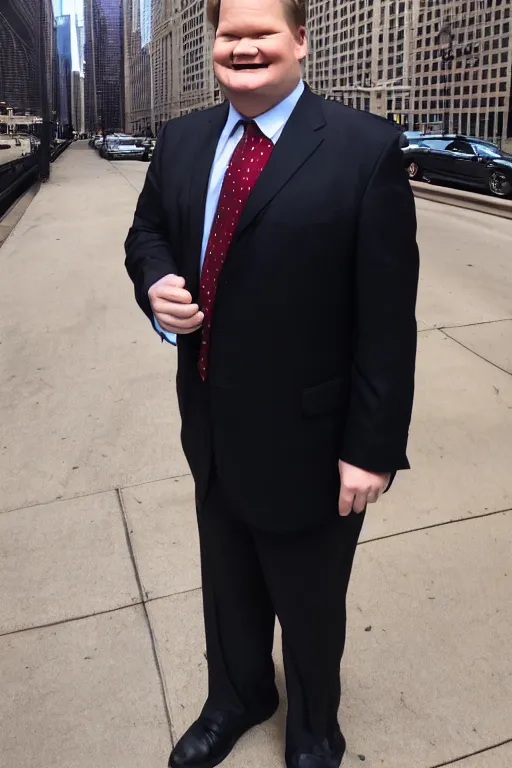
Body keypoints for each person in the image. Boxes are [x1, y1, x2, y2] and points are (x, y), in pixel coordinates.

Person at [125, 0, 419, 765]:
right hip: (212, 425)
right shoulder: (184, 140)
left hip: (314, 441)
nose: (243, 47)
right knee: (227, 584)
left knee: (310, 600)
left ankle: (315, 726)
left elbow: (387, 320)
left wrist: (372, 448)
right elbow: (148, 230)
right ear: (212, 45)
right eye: (230, 34)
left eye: (262, 33)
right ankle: (240, 693)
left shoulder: (365, 148)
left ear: (300, 41)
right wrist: (155, 282)